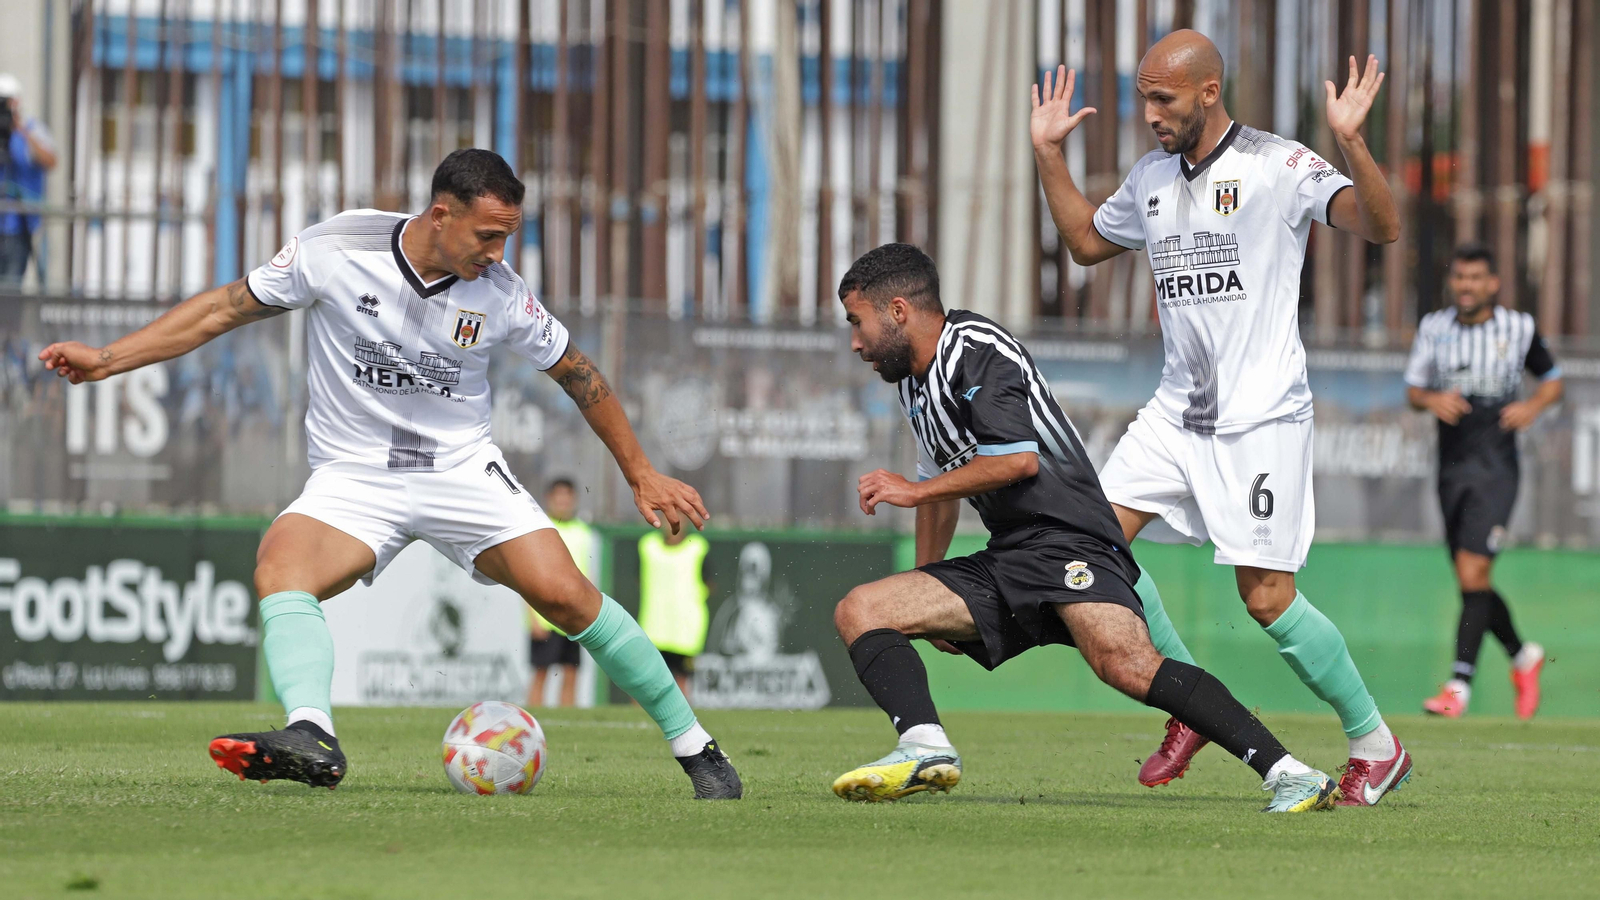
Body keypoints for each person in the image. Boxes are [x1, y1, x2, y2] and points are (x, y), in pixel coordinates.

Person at [38, 149, 741, 800]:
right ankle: (312, 733)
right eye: (488, 235)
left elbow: (578, 373)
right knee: (280, 569)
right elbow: (225, 307)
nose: (498, 254)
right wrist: (107, 360)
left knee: (568, 599)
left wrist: (641, 472)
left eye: (507, 237)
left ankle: (698, 749)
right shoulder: (334, 249)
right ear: (443, 213)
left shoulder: (501, 293)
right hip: (356, 475)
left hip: (461, 468)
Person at [1031, 30, 1411, 806]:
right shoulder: (1150, 178)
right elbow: (1081, 243)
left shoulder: (1277, 165)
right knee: (1089, 549)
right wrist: (1047, 154)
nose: (1149, 114)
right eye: (1144, 98)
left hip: (1262, 418)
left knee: (1265, 598)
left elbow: (1383, 225)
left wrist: (1353, 142)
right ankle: (1189, 703)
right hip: (1176, 414)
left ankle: (1377, 744)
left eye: (1163, 98)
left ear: (1209, 92)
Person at [830, 243, 1341, 812]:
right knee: (863, 609)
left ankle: (1291, 774)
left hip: (1073, 540)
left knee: (1126, 665)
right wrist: (928, 586)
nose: (855, 341)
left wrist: (911, 489)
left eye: (858, 322)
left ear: (898, 310)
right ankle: (923, 747)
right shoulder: (912, 383)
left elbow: (1016, 460)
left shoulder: (976, 351)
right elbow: (941, 492)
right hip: (1011, 555)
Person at [1405, 244, 1557, 719]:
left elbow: (1552, 379)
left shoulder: (1519, 328)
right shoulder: (1435, 328)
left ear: (1493, 284)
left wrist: (1532, 407)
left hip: (1497, 466)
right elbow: (1412, 390)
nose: (1466, 286)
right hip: (1452, 464)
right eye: (1460, 278)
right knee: (1471, 578)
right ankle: (1521, 655)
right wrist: (1431, 400)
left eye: (1476, 278)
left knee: (1474, 572)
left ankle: (1458, 685)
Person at [525, 478, 595, 709]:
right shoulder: (539, 528)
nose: (563, 501)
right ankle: (532, 722)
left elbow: (586, 575)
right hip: (545, 614)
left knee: (570, 672)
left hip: (573, 616)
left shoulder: (583, 532)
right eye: (558, 496)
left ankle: (568, 723)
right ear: (549, 499)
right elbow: (527, 576)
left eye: (567, 496)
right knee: (541, 673)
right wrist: (532, 617)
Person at [637, 519, 712, 698]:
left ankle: (681, 724)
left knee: (681, 681)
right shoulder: (648, 546)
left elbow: (709, 584)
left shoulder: (698, 548)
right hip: (653, 629)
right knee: (643, 679)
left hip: (685, 633)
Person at [0, 73, 58, 286]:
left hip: (19, 227)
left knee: (10, 291)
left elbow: (51, 160)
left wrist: (20, 130)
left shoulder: (31, 129)